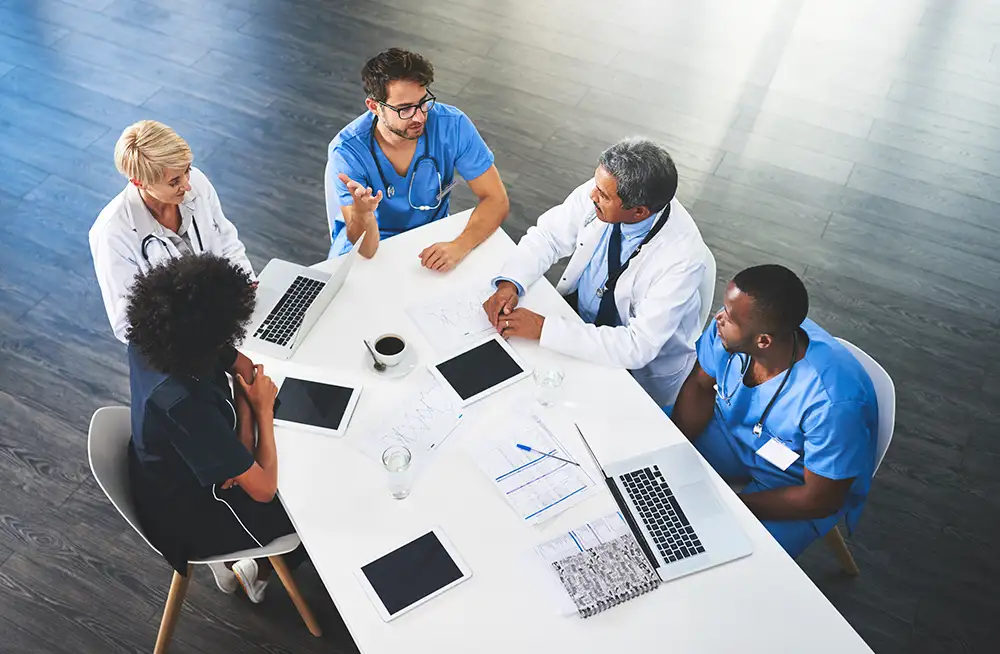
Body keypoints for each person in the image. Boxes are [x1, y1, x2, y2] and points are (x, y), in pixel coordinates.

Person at [126, 253, 303, 602]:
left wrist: (246, 416)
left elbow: (245, 367)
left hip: (177, 465)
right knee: (308, 509)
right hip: (194, 516)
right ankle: (255, 570)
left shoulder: (156, 336)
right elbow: (264, 490)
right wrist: (258, 412)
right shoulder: (180, 403)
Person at [671, 265, 878, 558]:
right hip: (730, 431)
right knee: (639, 449)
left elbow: (819, 499)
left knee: (719, 557)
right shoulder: (735, 325)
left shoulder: (833, 403)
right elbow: (701, 386)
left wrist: (730, 504)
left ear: (763, 341)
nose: (718, 317)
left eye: (728, 317)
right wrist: (671, 450)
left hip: (795, 484)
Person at [482, 138, 707, 408]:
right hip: (578, 320)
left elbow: (638, 346)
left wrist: (544, 328)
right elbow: (549, 236)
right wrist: (511, 282)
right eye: (596, 185)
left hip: (633, 365)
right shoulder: (604, 187)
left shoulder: (682, 257)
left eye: (603, 195)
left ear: (638, 212)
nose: (592, 196)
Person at [325, 47, 509, 269]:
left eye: (423, 102)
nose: (420, 116)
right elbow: (367, 250)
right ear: (374, 106)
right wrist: (363, 215)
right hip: (372, 246)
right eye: (405, 109)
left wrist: (460, 245)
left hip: (429, 237)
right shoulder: (347, 153)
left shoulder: (452, 125)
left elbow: (496, 199)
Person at [90, 120, 255, 343]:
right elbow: (127, 324)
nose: (187, 185)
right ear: (139, 182)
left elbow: (226, 238)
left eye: (187, 170)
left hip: (232, 314)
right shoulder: (112, 234)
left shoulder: (196, 181)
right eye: (174, 181)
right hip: (185, 345)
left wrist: (245, 285)